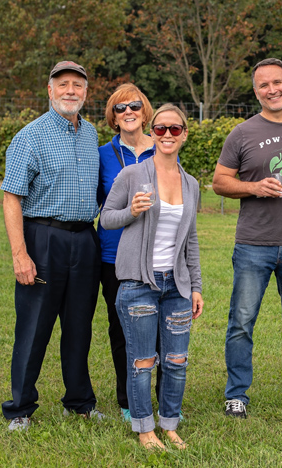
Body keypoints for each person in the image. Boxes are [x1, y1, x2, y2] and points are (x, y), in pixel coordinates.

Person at [213, 58, 282, 418]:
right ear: (256, 91)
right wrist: (253, 187)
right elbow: (219, 182)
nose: (272, 90)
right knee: (242, 322)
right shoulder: (242, 133)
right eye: (264, 85)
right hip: (253, 244)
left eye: (277, 82)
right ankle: (236, 395)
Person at [1, 61, 102, 432]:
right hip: (43, 238)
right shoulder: (30, 136)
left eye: (77, 84)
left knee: (79, 326)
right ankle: (20, 408)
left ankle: (79, 402)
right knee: (34, 327)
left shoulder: (90, 133)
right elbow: (11, 198)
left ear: (86, 92)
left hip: (85, 239)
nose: (70, 90)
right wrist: (20, 254)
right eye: (63, 84)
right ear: (50, 90)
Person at [100, 104, 203, 450]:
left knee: (176, 361)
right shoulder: (133, 175)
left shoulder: (191, 184)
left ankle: (169, 425)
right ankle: (145, 428)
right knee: (142, 361)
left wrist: (196, 287)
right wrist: (131, 211)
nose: (167, 135)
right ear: (152, 132)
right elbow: (106, 218)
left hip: (177, 286)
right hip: (139, 284)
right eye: (160, 129)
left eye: (175, 129)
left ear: (184, 134)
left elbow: (190, 240)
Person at [97, 83, 156, 422]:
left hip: (155, 255)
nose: (128, 111)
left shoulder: (163, 148)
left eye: (134, 105)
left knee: (159, 330)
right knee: (121, 330)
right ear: (114, 117)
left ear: (145, 113)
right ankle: (128, 400)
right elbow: (98, 206)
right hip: (113, 256)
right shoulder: (103, 155)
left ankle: (163, 397)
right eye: (120, 108)